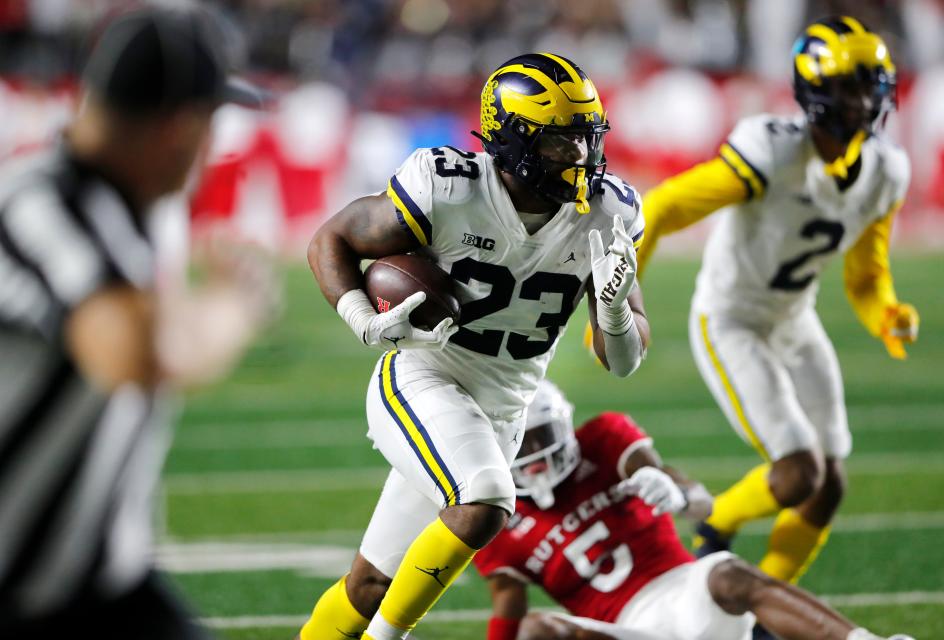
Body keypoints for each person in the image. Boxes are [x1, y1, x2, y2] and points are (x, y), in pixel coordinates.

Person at [300, 53, 650, 640]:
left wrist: (614, 312)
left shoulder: (607, 212)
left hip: (504, 409)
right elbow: (331, 237)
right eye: (560, 143)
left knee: (370, 586)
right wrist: (360, 315)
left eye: (587, 139)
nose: (581, 158)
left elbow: (622, 363)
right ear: (511, 142)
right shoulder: (449, 187)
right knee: (486, 498)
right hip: (424, 378)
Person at [0, 7, 270, 638]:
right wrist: (235, 303)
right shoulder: (40, 204)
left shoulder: (138, 208)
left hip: (97, 578)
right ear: (182, 126)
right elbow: (134, 352)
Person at [632, 15, 919, 592]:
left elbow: (866, 276)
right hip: (731, 318)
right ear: (814, 88)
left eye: (870, 85)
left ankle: (769, 606)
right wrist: (616, 305)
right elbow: (661, 207)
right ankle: (716, 520)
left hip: (794, 318)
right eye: (848, 86)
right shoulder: (772, 151)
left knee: (830, 482)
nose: (862, 101)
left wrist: (885, 310)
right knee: (797, 473)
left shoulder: (886, 170)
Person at [475, 380, 914, 640]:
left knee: (727, 571)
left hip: (687, 595)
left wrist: (679, 494)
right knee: (536, 631)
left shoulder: (604, 440)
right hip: (623, 630)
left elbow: (701, 503)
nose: (537, 452)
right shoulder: (498, 516)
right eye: (524, 442)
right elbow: (507, 613)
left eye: (543, 434)